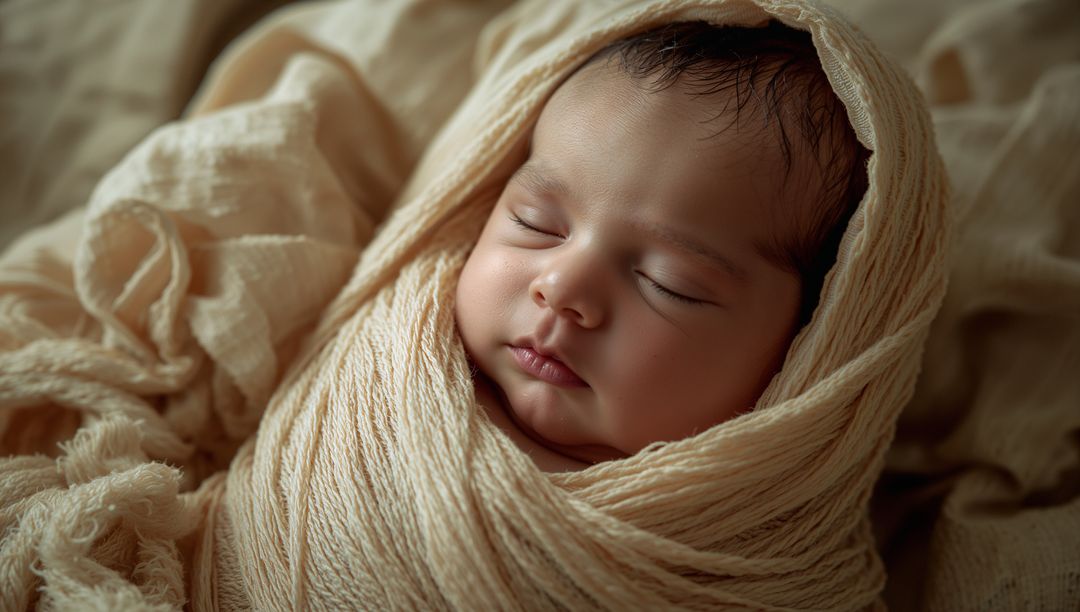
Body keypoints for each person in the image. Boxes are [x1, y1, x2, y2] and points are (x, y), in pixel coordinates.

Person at [455, 20, 870, 472]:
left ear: (811, 344)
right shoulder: (407, 356)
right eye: (535, 223)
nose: (560, 288)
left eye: (668, 284)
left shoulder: (759, 512)